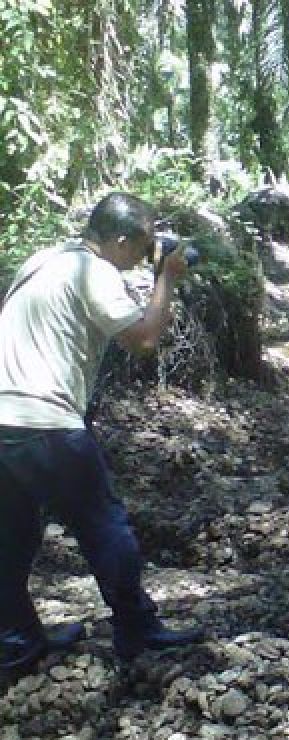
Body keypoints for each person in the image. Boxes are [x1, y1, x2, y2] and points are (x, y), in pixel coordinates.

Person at [0, 192, 205, 673]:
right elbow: (145, 339)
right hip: (45, 421)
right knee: (105, 527)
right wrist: (166, 279)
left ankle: (17, 641)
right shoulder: (94, 271)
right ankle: (138, 628)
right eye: (143, 245)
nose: (144, 254)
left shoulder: (44, 260)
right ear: (119, 239)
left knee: (12, 535)